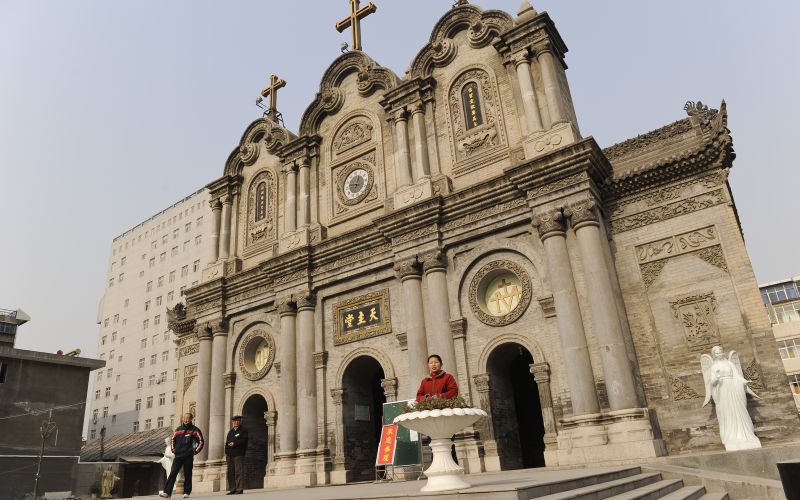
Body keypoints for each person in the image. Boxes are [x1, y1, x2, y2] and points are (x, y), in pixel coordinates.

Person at [701, 346, 762, 451]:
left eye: (720, 351)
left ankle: (745, 435)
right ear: (714, 354)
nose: (719, 353)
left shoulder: (730, 363)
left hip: (734, 388)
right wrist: (716, 378)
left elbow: (737, 376)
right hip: (723, 390)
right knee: (727, 412)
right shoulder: (713, 367)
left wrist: (744, 381)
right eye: (716, 352)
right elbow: (712, 381)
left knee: (739, 410)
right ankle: (731, 437)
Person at [160, 413, 205, 498]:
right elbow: (173, 439)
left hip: (188, 455)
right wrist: (173, 450)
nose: (186, 419)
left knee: (187, 474)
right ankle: (167, 492)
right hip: (178, 456)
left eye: (187, 418)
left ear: (191, 419)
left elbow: (201, 441)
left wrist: (195, 451)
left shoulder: (195, 430)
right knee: (173, 473)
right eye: (184, 418)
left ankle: (187, 492)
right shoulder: (178, 429)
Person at [225, 415, 249, 495]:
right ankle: (233, 489)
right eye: (234, 421)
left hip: (238, 454)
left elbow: (244, 440)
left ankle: (239, 489)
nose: (235, 422)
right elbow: (227, 443)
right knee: (230, 472)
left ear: (240, 421)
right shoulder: (230, 431)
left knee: (238, 472)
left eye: (237, 421)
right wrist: (226, 453)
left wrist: (234, 443)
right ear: (232, 422)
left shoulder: (243, 430)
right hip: (230, 455)